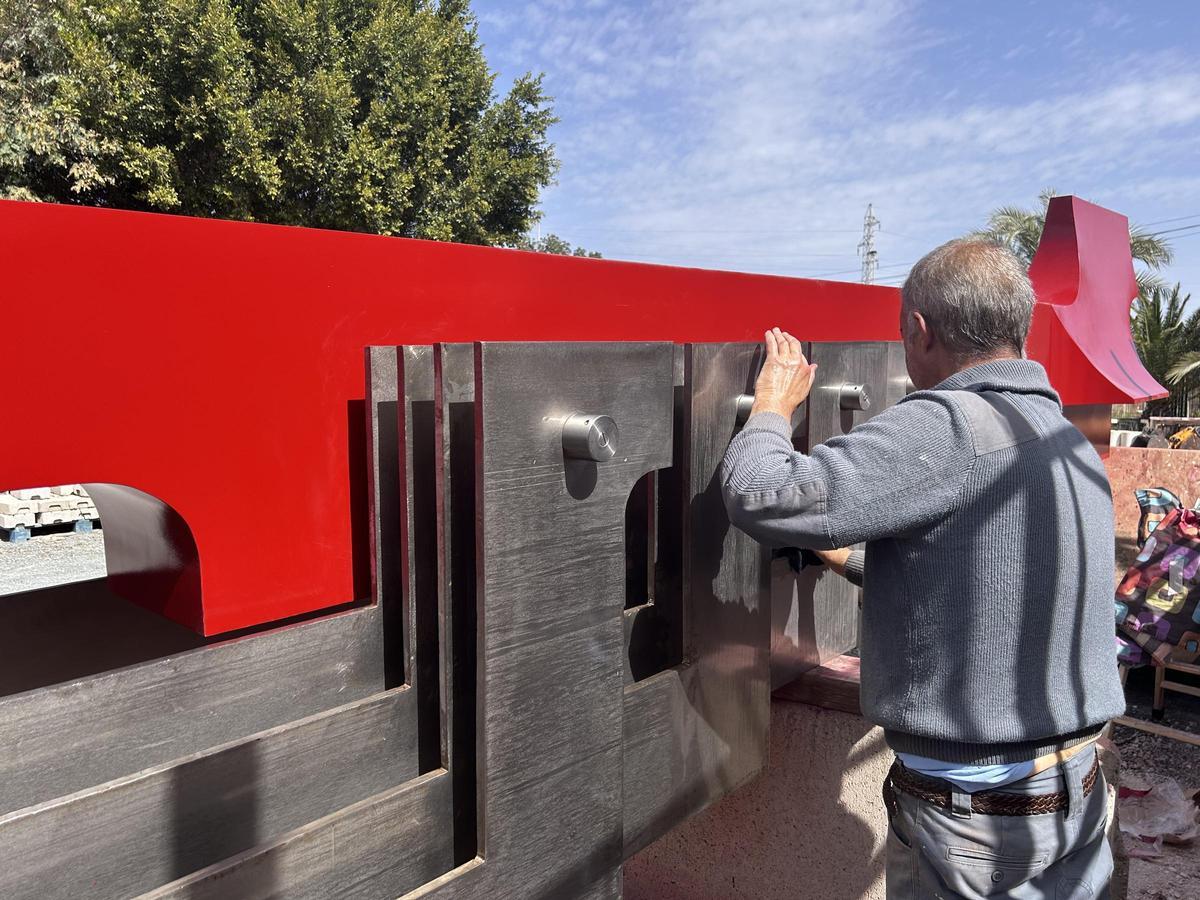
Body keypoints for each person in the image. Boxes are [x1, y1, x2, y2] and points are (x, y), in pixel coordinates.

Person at [720, 239, 1124, 899]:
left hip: (979, 822)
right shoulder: (1059, 435)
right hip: (1073, 791)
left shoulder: (948, 426)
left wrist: (772, 405)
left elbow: (761, 493)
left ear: (918, 331)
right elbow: (987, 578)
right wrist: (852, 556)